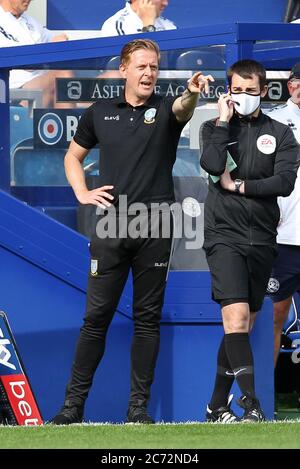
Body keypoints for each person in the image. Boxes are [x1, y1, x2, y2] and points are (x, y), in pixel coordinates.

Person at [50, 38, 213, 425]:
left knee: (147, 318)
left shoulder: (166, 108)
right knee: (96, 318)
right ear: (123, 69)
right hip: (111, 224)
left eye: (154, 67)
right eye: (141, 66)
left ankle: (138, 409)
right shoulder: (100, 112)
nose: (148, 73)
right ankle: (72, 408)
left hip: (156, 223)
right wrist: (82, 192)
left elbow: (182, 107)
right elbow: (73, 156)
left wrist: (191, 91)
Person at [200, 59, 299, 423]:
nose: (243, 96)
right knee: (236, 318)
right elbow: (212, 166)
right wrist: (223, 121)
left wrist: (241, 185)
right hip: (224, 234)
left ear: (263, 92)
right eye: (237, 90)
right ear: (229, 90)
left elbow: (283, 183)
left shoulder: (282, 133)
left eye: (250, 91)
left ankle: (214, 406)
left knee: (244, 324)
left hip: (263, 238)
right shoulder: (214, 127)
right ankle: (252, 403)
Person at [266, 63, 300, 365]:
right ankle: (263, 393)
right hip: (284, 237)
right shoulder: (273, 122)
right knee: (274, 316)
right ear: (291, 86)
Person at [0, 0, 73, 108]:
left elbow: (55, 39)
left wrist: (61, 40)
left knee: (69, 78)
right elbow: (24, 61)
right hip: (10, 90)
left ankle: (72, 122)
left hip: (38, 85)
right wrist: (51, 49)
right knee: (61, 76)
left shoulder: (31, 22)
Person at [101, 0, 176, 37]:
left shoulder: (168, 25)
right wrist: (148, 25)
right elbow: (143, 60)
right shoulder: (115, 26)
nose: (165, 3)